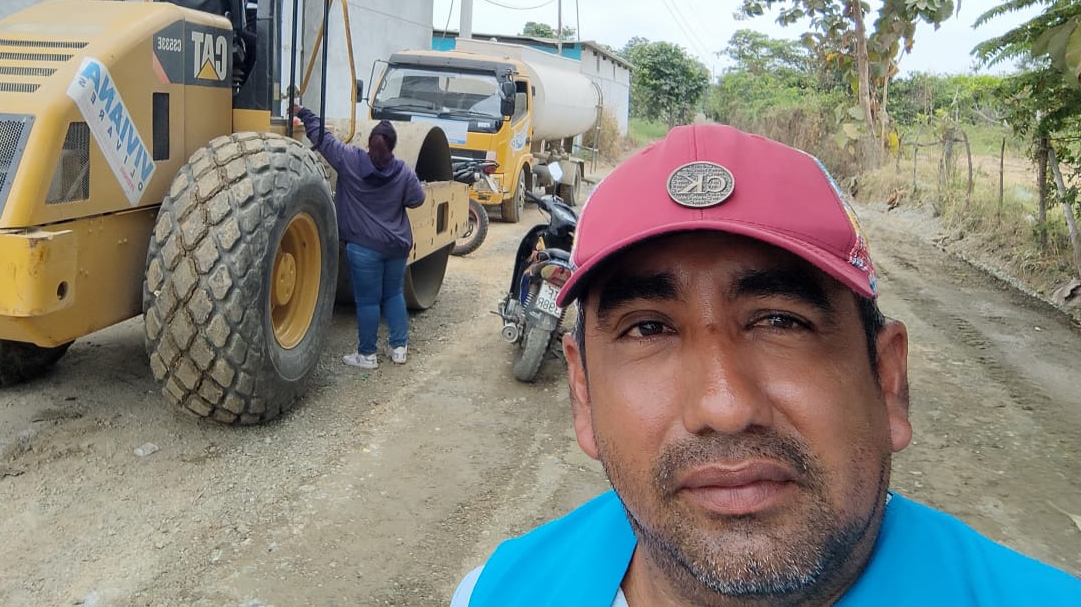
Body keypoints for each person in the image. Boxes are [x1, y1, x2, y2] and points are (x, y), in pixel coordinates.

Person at [452, 123, 1081, 606]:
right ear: (583, 393)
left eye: (781, 322)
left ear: (888, 380)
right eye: (648, 328)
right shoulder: (496, 594)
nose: (724, 407)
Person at [296, 106, 425, 369]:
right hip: (396, 246)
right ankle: (398, 348)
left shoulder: (350, 159)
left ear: (368, 142)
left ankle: (367, 355)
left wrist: (303, 113)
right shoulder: (403, 172)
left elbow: (322, 139)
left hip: (364, 248)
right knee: (394, 294)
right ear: (393, 146)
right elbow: (418, 199)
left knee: (368, 301)